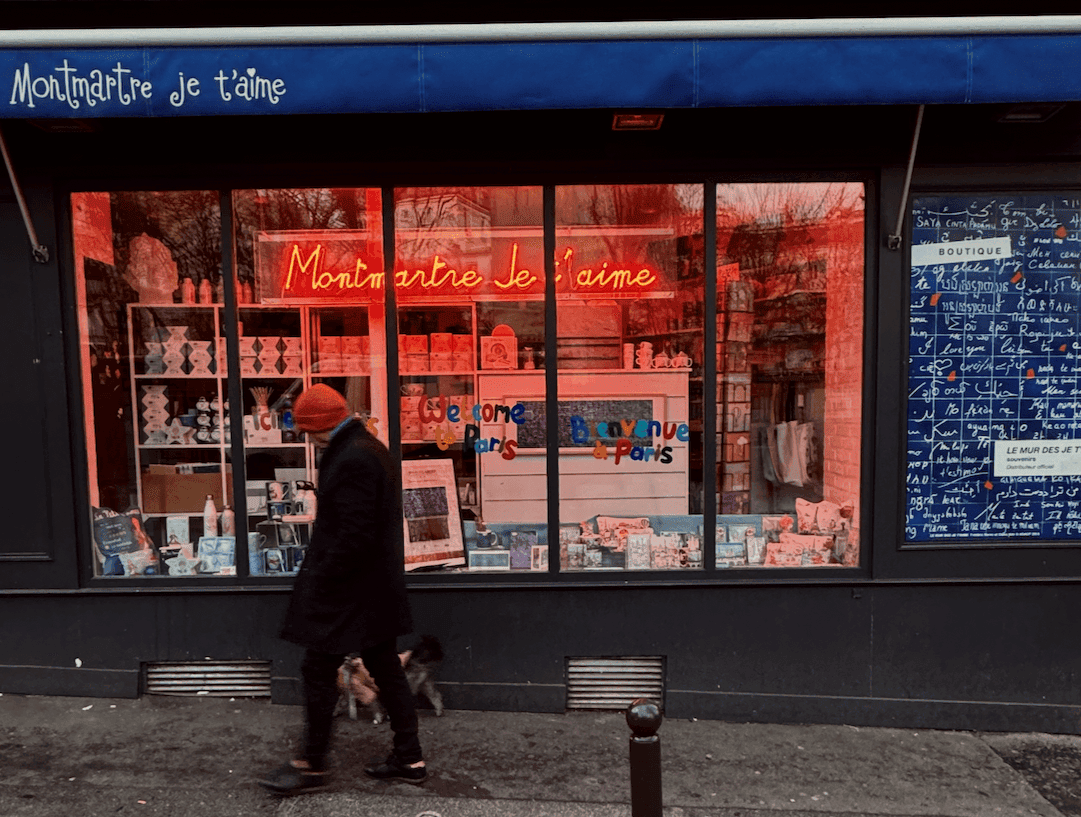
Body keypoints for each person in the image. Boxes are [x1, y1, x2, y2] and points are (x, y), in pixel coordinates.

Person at [259, 384, 426, 796]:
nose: (305, 438)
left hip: (350, 592)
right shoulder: (366, 447)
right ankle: (409, 758)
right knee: (386, 668)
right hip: (372, 589)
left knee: (318, 670)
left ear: (320, 426)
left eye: (306, 430)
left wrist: (321, 581)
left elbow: (352, 535)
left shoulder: (353, 457)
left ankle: (311, 765)